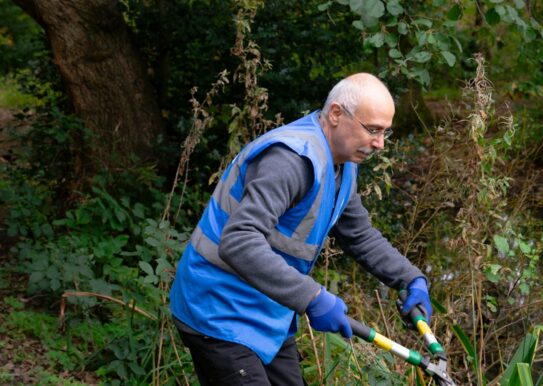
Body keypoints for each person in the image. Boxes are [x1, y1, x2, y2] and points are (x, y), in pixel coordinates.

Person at [169, 73, 432, 385]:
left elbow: (360, 235)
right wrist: (313, 297)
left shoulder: (342, 165)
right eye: (372, 130)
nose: (380, 143)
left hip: (267, 312)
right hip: (217, 310)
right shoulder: (291, 160)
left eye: (385, 132)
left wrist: (410, 278)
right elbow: (239, 241)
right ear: (336, 114)